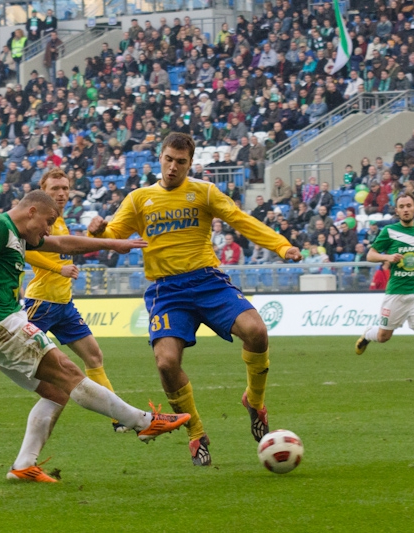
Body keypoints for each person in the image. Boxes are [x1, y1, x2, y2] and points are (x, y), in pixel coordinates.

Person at [0, 190, 190, 482]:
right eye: (48, 220)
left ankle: (23, 466)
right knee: (69, 372)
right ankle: (143, 422)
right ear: (32, 211)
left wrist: (112, 244)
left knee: (56, 393)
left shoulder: (16, 233)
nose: (49, 228)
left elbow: (63, 243)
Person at [86, 133, 301, 466]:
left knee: (257, 331)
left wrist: (281, 246)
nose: (173, 167)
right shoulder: (139, 198)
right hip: (166, 292)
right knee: (166, 363)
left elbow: (240, 219)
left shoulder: (204, 192)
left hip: (207, 282)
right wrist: (98, 232)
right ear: (160, 157)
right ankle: (196, 433)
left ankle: (254, 401)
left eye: (181, 162)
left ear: (190, 163)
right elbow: (113, 235)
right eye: (169, 159)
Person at [0, 170, 132, 432]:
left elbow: (68, 245)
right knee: (12, 354)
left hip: (65, 304)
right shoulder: (20, 226)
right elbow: (28, 253)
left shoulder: (57, 221)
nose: (61, 193)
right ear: (40, 194)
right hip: (42, 302)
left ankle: (119, 419)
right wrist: (59, 269)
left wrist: (105, 240)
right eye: (55, 188)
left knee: (94, 356)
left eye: (66, 188)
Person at [354, 193, 414, 393]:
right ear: (397, 210)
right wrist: (388, 256)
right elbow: (370, 255)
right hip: (396, 292)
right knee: (384, 336)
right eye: (402, 206)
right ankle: (368, 335)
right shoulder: (389, 231)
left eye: (409, 205)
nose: (406, 209)